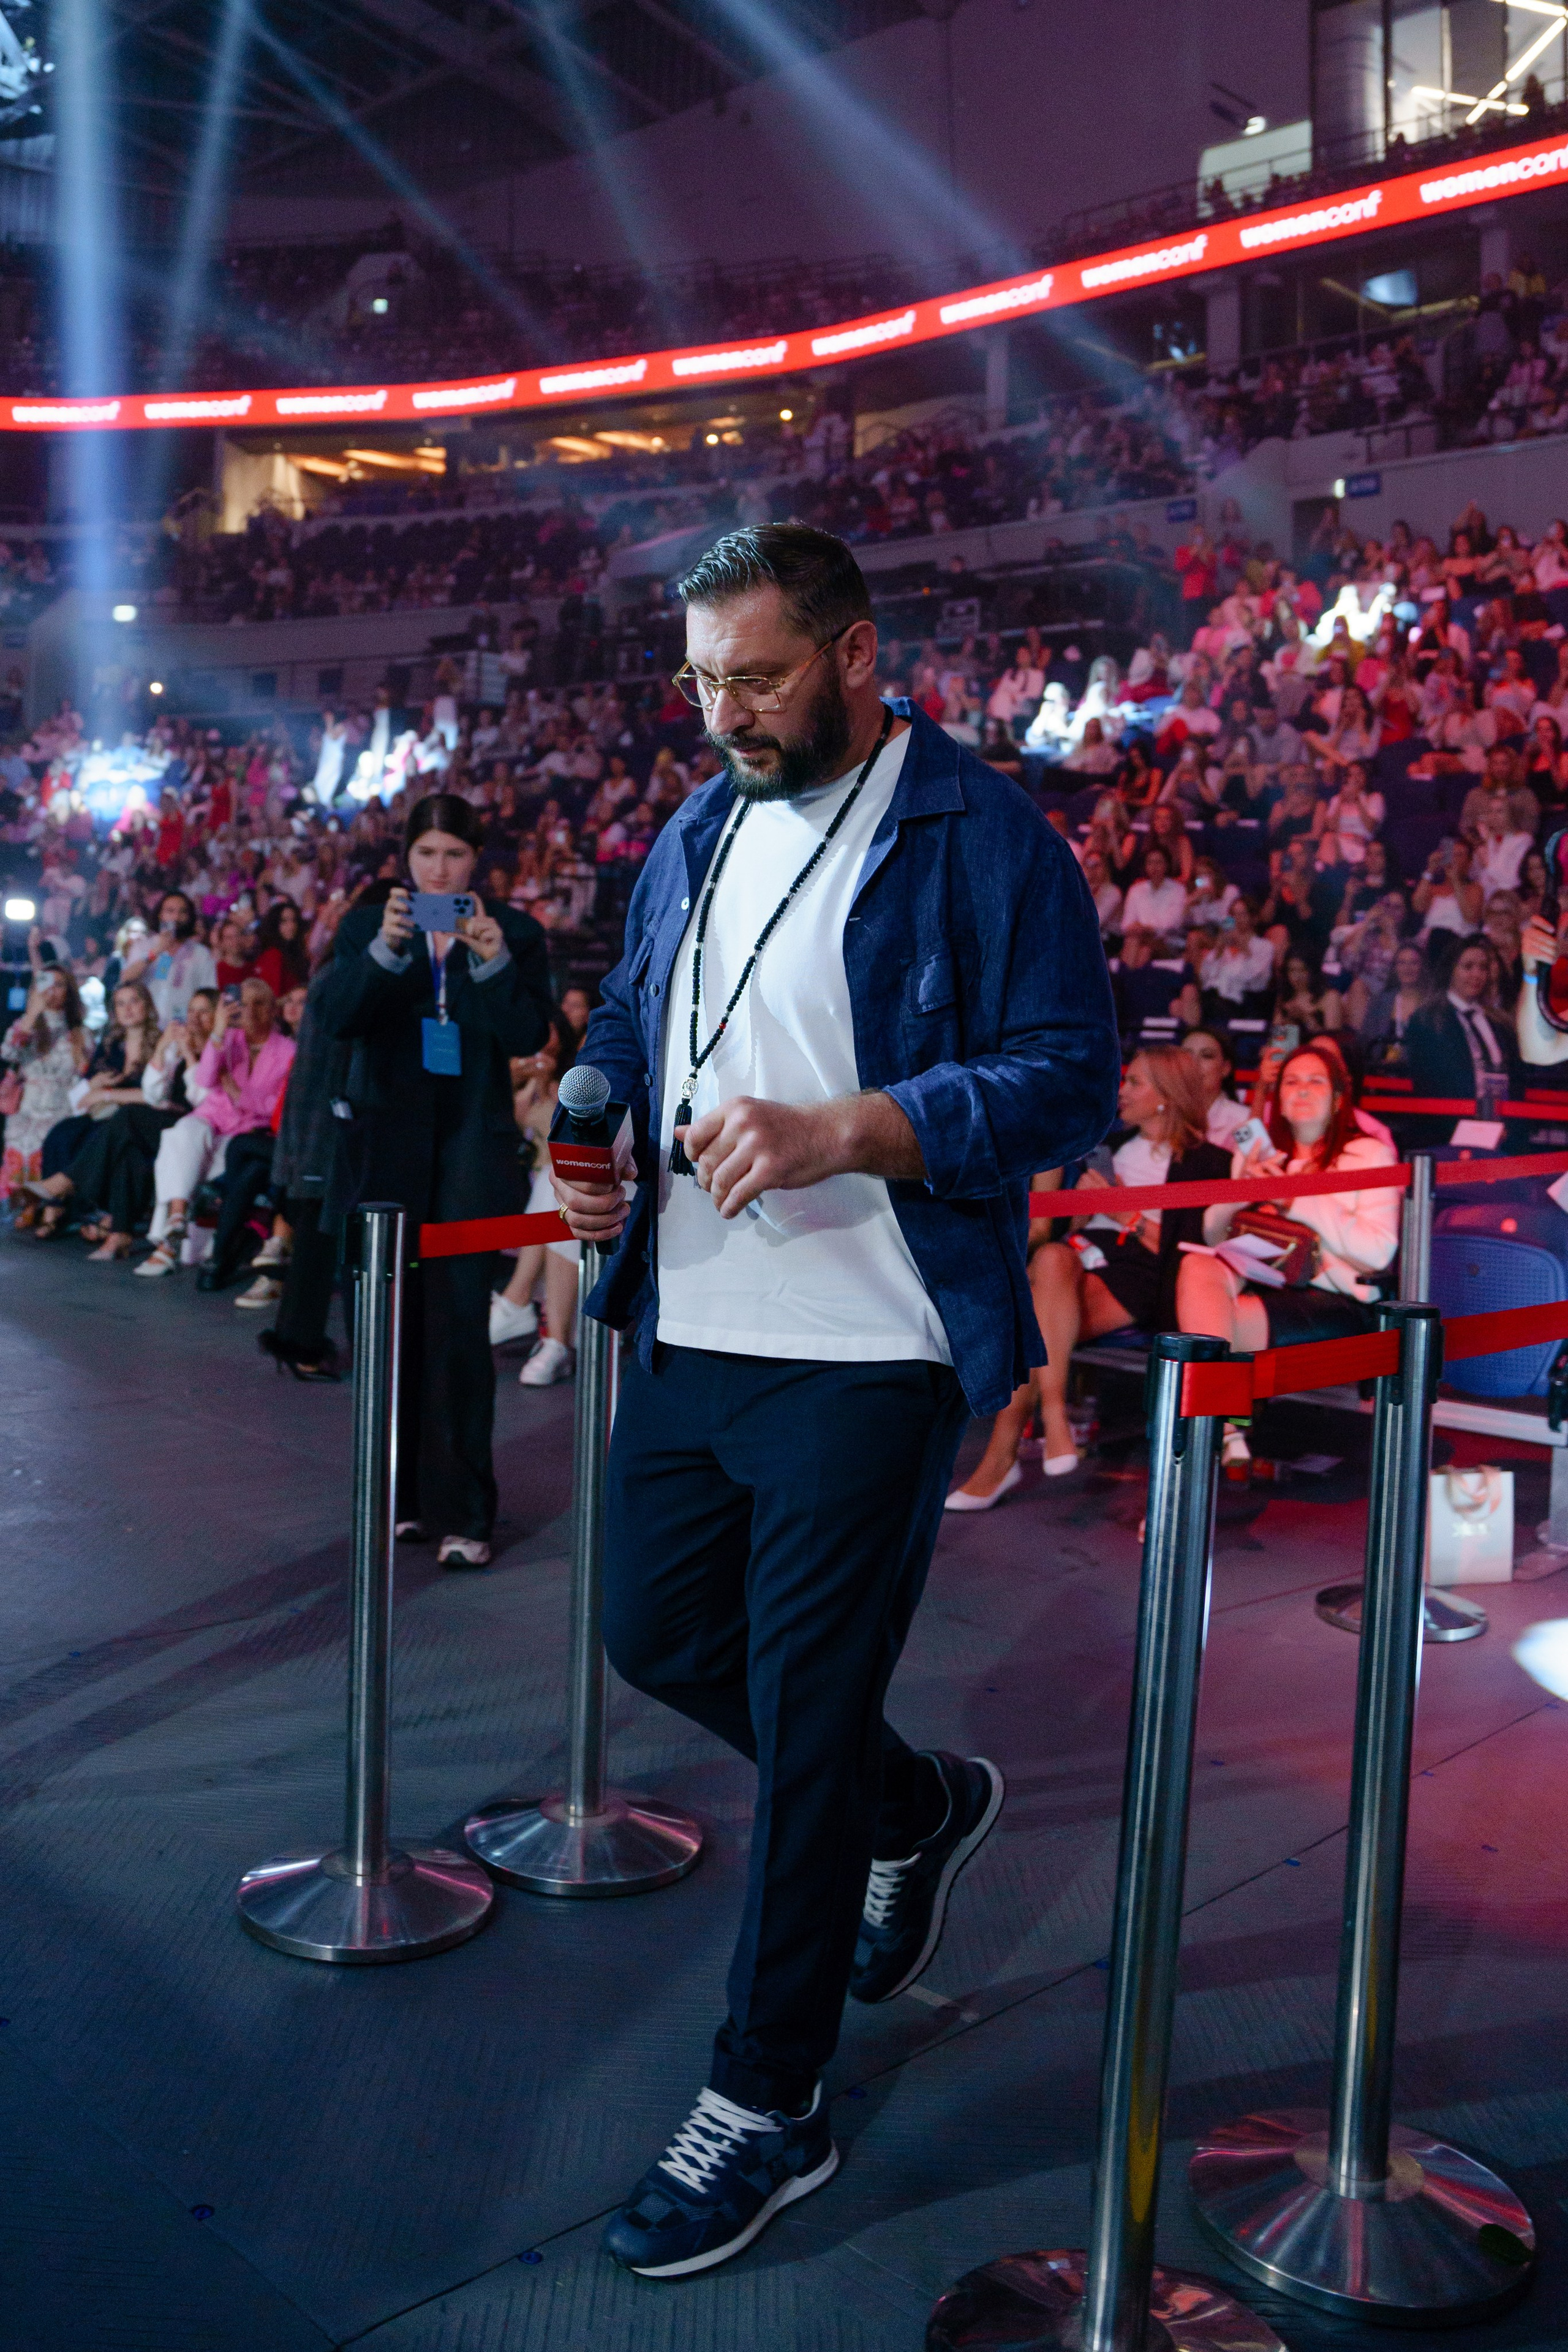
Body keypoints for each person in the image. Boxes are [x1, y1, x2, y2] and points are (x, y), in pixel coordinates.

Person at [546, 524, 1116, 2278]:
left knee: (802, 1719)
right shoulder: (697, 827)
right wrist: (588, 1098)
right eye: (704, 678)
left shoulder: (987, 834)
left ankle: (769, 2098)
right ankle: (915, 1806)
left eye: (761, 676)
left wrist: (851, 1128)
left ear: (859, 656)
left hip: (875, 1343)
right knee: (652, 1634)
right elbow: (647, 1013)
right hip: (699, 1321)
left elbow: (1066, 1077)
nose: (725, 712)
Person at [317, 796, 553, 1566]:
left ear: (475, 862)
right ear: (405, 859)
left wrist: (491, 963)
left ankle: (467, 1513)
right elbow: (339, 1020)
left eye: (454, 856)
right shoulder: (368, 926)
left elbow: (528, 1034)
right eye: (426, 855)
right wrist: (386, 952)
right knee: (387, 1324)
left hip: (468, 1151)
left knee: (457, 1328)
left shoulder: (514, 932)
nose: (439, 869)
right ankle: (403, 1499)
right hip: (385, 1147)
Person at [945, 1048, 1228, 1506]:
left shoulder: (1208, 1161)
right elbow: (1070, 1232)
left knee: (1032, 1324)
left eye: (1135, 1082)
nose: (1122, 1092)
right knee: (1054, 1258)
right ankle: (1055, 1415)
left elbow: (1194, 1252)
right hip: (1079, 1260)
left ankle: (1001, 1462)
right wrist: (1080, 1209)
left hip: (1141, 1274)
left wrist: (1125, 1211)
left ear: (1166, 1095)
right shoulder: (1110, 1151)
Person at [1176, 1036, 1401, 1461]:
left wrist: (1295, 1196)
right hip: (1264, 1279)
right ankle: (1222, 1431)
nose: (1301, 1089)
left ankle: (1217, 1438)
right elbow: (1213, 1236)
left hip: (1334, 1294)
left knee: (1199, 1344)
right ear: (1278, 1100)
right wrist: (1245, 1189)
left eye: (1316, 1082)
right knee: (1195, 1267)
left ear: (1337, 1099)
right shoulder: (1265, 1152)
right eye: (1292, 1081)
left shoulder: (1370, 1154)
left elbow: (1377, 1253)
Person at [136, 978, 294, 1278]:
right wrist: (219, 1032)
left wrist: (238, 1094)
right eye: (245, 1003)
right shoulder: (229, 1038)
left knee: (210, 1155)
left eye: (260, 1003)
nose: (251, 1010)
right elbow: (205, 1080)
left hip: (247, 1130)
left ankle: (169, 1246)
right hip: (212, 1118)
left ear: (273, 1009)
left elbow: (277, 1105)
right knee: (182, 1133)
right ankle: (178, 1217)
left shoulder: (287, 1050)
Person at [488, 1015, 581, 1384]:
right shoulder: (519, 1074)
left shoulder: (577, 1080)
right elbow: (512, 1120)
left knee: (556, 1183)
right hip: (531, 1193)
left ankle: (518, 1299)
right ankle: (547, 1334)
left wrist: (551, 1086)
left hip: (554, 1194)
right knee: (553, 1185)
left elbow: (564, 1132)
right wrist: (528, 1083)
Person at [2, 967, 88, 1211]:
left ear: (69, 992)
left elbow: (82, 1075)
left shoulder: (80, 1033)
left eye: (60, 984)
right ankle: (26, 1206)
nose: (53, 990)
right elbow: (9, 1053)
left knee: (50, 1151)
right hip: (27, 1107)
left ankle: (51, 1208)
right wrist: (32, 1014)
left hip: (61, 1107)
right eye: (47, 983)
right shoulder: (25, 1026)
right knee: (21, 1150)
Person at [1403, 936, 1522, 1108]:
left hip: (1500, 1120)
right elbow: (1427, 1083)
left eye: (1483, 968)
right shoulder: (1427, 1019)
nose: (1477, 974)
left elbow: (1516, 1080)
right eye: (1468, 967)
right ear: (1451, 970)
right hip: (1448, 1122)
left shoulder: (1500, 1023)